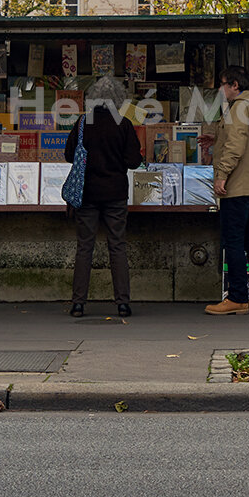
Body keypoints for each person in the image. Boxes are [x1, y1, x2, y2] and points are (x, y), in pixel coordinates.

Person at [64, 75, 143, 318]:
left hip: (87, 194)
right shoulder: (124, 124)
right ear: (119, 99)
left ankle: (78, 303)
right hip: (116, 195)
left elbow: (69, 155)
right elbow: (134, 161)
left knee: (84, 247)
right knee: (117, 247)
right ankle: (122, 303)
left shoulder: (82, 122)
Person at [205, 65, 249, 316]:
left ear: (235, 85)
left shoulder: (239, 107)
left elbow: (236, 146)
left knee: (232, 241)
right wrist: (216, 139)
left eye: (223, 84)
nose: (221, 90)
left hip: (238, 185)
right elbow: (247, 139)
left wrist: (221, 175)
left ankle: (237, 298)